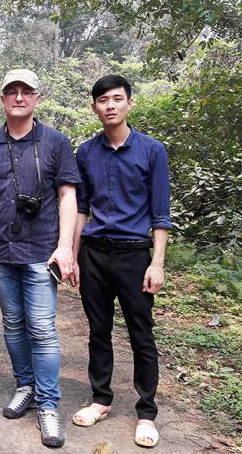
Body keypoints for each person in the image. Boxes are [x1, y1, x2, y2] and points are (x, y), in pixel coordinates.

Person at [0, 69, 80, 448]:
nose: (19, 97)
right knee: (13, 324)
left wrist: (66, 246)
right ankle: (25, 385)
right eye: (12, 92)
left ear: (37, 98)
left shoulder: (55, 142)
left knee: (43, 329)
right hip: (0, 249)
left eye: (26, 92)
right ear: (2, 99)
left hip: (42, 250)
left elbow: (69, 196)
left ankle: (49, 404)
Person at [70, 75, 171, 449]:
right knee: (99, 331)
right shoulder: (85, 153)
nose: (109, 105)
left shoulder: (151, 150)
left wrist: (156, 263)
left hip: (133, 255)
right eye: (102, 100)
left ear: (129, 102)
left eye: (116, 98)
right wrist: (74, 255)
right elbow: (81, 208)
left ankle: (146, 412)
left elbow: (160, 212)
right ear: (94, 107)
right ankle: (101, 400)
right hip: (94, 253)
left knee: (140, 334)